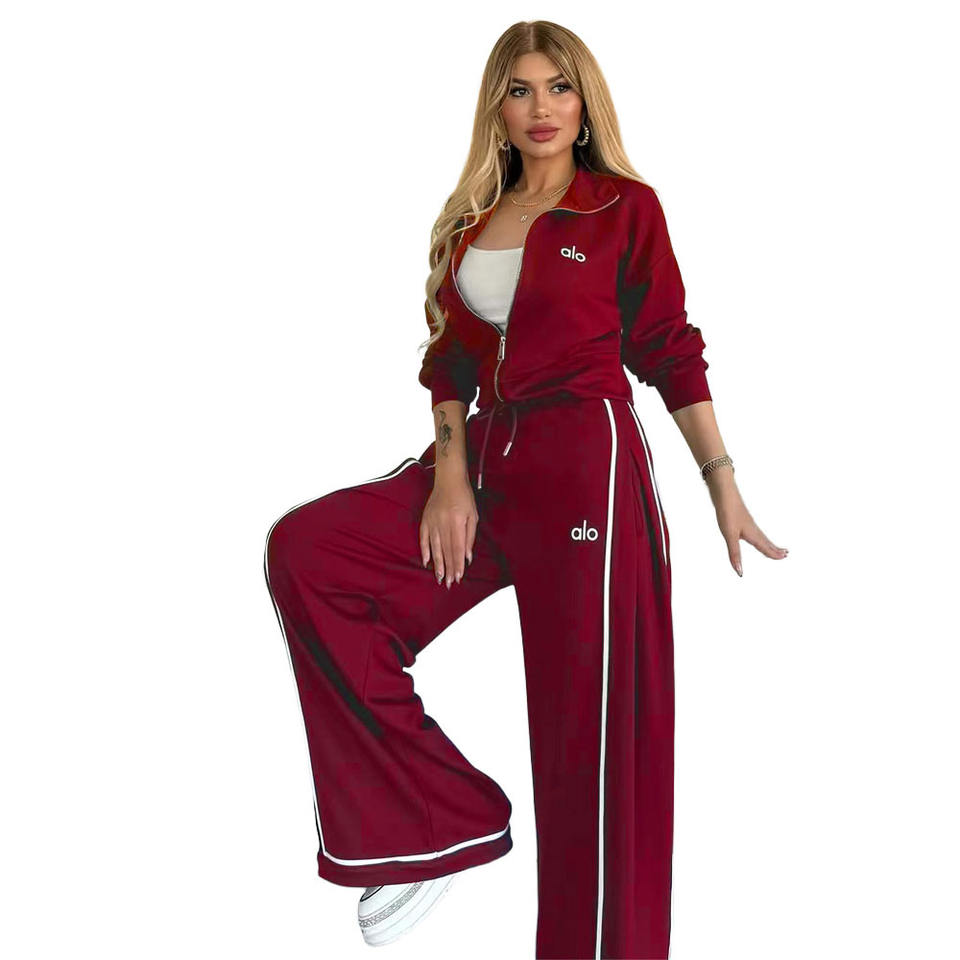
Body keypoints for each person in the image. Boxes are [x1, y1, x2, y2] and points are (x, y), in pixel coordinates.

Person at [263, 19, 788, 960]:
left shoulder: (622, 208)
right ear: (496, 110)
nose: (541, 107)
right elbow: (450, 363)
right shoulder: (473, 222)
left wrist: (722, 482)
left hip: (588, 473)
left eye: (558, 87)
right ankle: (429, 819)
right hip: (485, 466)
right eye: (520, 89)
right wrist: (450, 477)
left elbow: (669, 345)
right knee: (310, 553)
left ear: (585, 104)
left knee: (592, 750)